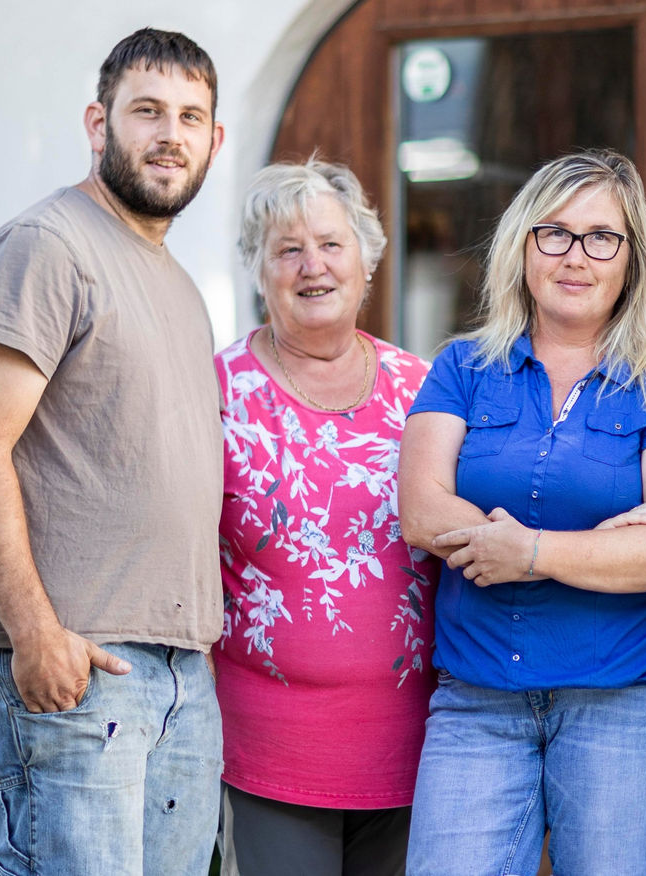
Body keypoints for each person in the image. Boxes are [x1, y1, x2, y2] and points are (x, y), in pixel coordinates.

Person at [0, 28, 226, 875]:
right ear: (98, 124)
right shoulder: (47, 246)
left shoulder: (173, 278)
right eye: (147, 112)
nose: (170, 133)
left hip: (174, 675)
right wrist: (35, 635)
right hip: (74, 668)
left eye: (190, 116)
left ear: (215, 139)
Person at [399, 149, 646, 876]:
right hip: (478, 704)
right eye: (555, 233)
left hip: (626, 705)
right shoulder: (462, 367)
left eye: (602, 237)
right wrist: (591, 548)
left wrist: (533, 552)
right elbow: (420, 510)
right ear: (523, 247)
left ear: (632, 259)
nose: (577, 256)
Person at [213, 159, 438, 876]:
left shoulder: (426, 389)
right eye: (288, 249)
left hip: (416, 744)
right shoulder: (215, 390)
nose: (313, 265)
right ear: (259, 269)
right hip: (268, 750)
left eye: (331, 244)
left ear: (367, 259)